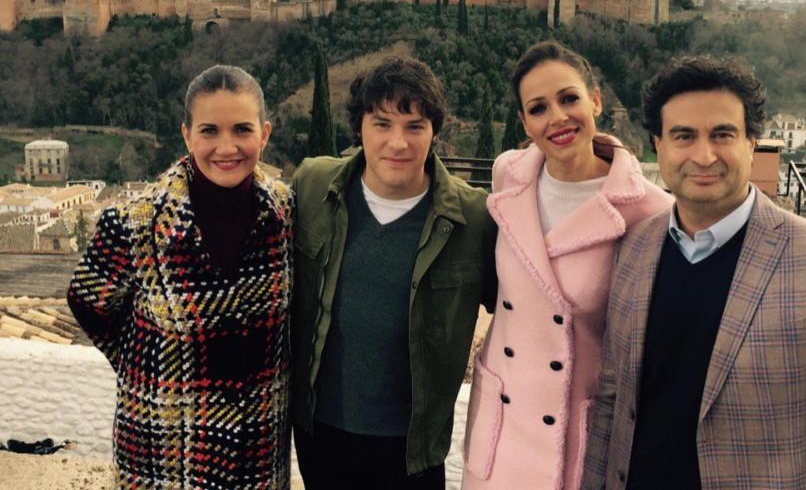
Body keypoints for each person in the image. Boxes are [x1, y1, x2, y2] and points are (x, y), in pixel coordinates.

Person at [581, 56, 806, 490]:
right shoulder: (633, 247)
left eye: (722, 134)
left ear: (752, 143)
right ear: (659, 144)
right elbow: (611, 404)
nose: (703, 155)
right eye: (684, 136)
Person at [67, 65, 294, 489]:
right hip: (163, 453)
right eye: (209, 131)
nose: (226, 147)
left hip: (256, 452)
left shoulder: (284, 214)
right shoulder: (133, 224)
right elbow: (86, 299)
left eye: (241, 130)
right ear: (187, 135)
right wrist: (146, 364)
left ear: (264, 134)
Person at [462, 41, 671, 490]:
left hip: (576, 432)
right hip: (501, 424)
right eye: (538, 108)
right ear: (523, 122)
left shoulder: (649, 210)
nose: (557, 117)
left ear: (595, 99)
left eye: (569, 98)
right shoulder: (508, 174)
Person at [290, 56, 498, 489]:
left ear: (434, 132)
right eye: (382, 124)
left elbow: (524, 311)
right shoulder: (312, 186)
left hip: (412, 450)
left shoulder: (474, 219)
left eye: (414, 126)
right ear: (360, 128)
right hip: (321, 435)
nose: (398, 143)